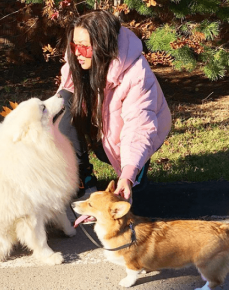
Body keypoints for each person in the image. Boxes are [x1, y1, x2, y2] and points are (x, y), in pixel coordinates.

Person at [57, 10, 172, 201]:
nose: (77, 53)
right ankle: (82, 175)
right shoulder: (77, 62)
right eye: (74, 45)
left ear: (103, 46)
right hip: (101, 127)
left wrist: (127, 175)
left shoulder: (137, 74)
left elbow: (138, 127)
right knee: (62, 102)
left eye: (84, 47)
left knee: (135, 190)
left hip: (131, 131)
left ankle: (134, 168)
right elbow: (61, 107)